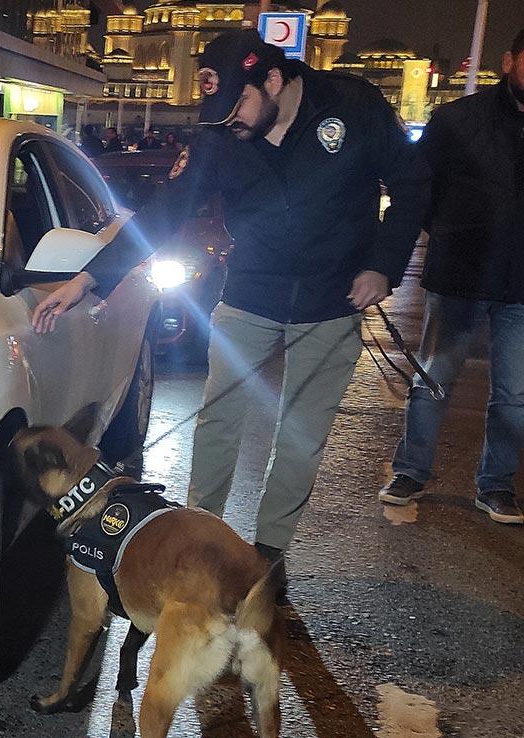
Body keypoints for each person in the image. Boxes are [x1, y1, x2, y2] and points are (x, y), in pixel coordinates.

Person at [31, 29, 429, 580]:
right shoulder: (222, 137)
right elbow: (165, 213)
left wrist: (383, 264)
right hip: (250, 295)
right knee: (218, 423)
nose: (229, 120)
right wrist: (90, 278)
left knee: (300, 437)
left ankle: (268, 557)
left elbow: (412, 182)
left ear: (271, 78)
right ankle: (199, 544)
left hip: (331, 301)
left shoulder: (352, 104)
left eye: (238, 103)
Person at [379, 28, 524, 524]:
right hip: (461, 272)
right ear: (509, 61)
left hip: (521, 283)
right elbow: (420, 187)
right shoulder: (459, 120)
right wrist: (445, 232)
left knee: (515, 394)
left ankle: (497, 486)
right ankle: (411, 471)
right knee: (434, 377)